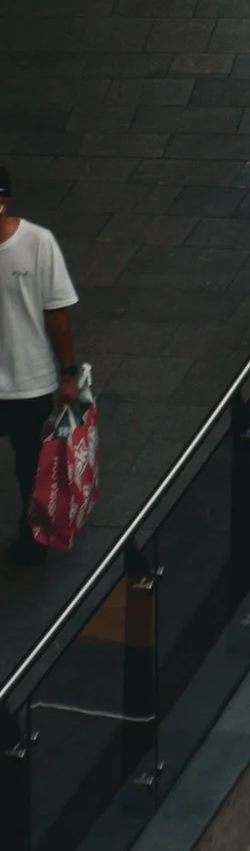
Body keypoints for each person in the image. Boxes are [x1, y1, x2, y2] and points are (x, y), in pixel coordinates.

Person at [0, 169, 79, 566]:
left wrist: (68, 373)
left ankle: (32, 537)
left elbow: (58, 314)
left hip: (28, 383)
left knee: (30, 467)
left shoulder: (37, 243)